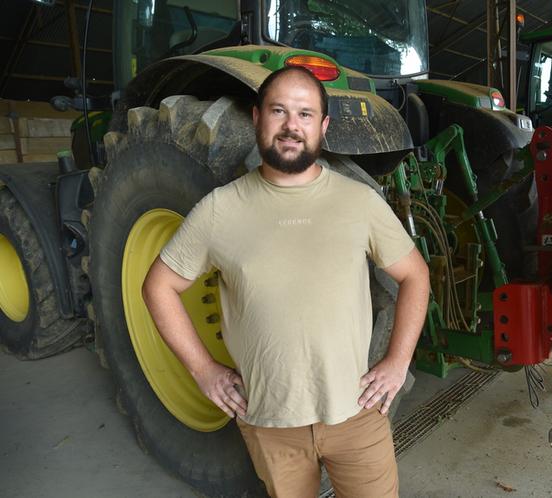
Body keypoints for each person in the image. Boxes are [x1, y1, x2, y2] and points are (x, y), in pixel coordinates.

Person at [142, 65, 430, 498]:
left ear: (323, 126)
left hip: (356, 415)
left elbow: (415, 275)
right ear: (257, 118)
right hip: (270, 424)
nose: (291, 126)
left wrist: (397, 362)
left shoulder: (359, 201)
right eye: (279, 111)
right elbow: (158, 286)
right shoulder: (220, 209)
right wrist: (203, 371)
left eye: (305, 114)